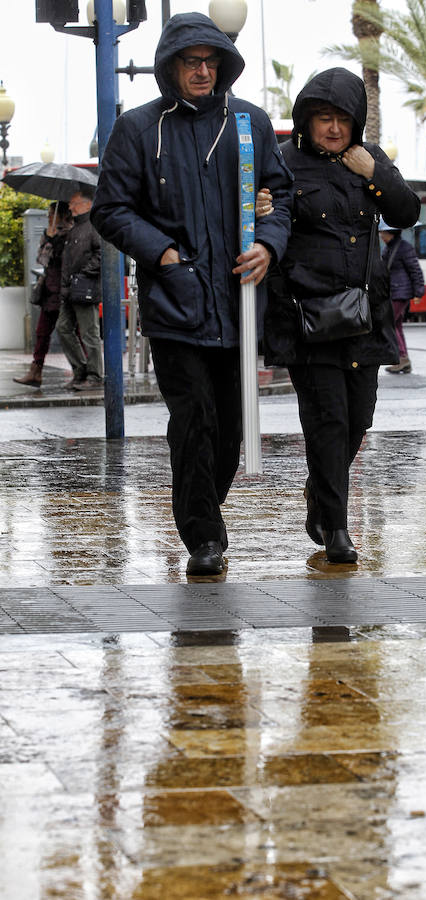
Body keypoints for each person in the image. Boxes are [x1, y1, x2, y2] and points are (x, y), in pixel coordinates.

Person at [90, 13, 293, 577]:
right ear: (171, 66)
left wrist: (270, 246)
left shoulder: (251, 122)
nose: (202, 71)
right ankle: (204, 536)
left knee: (229, 425)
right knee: (194, 417)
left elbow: (280, 197)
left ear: (223, 65)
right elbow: (110, 209)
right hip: (176, 303)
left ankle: (206, 510)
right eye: (191, 61)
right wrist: (164, 254)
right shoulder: (137, 129)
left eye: (211, 61)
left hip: (238, 299)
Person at [263, 68, 420, 565]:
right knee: (328, 420)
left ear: (358, 122)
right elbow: (260, 223)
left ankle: (319, 488)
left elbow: (406, 212)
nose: (332, 128)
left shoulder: (369, 161)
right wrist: (261, 206)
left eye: (343, 119)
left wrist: (374, 173)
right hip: (308, 315)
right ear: (305, 120)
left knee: (358, 418)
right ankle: (336, 526)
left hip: (363, 314)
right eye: (323, 118)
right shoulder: (282, 163)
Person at [13, 201, 72, 388]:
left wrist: (55, 239)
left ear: (61, 214)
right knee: (42, 333)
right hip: (48, 289)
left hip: (63, 290)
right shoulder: (48, 233)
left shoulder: (70, 232)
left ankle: (83, 371)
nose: (48, 216)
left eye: (51, 213)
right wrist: (48, 238)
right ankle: (35, 371)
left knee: (72, 333)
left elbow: (65, 259)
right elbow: (41, 259)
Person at [56, 189, 103, 391]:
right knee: (63, 328)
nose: (70, 207)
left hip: (84, 287)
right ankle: (81, 370)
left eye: (74, 203)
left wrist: (83, 274)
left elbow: (101, 254)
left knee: (89, 333)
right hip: (70, 289)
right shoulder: (74, 228)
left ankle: (94, 375)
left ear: (87, 204)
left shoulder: (93, 226)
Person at [379, 220, 425, 374]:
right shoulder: (390, 248)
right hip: (394, 292)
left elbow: (415, 270)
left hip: (400, 293)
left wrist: (419, 293)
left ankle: (402, 358)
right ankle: (403, 359)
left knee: (390, 324)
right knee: (396, 325)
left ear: (390, 232)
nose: (380, 235)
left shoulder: (404, 248)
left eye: (382, 233)